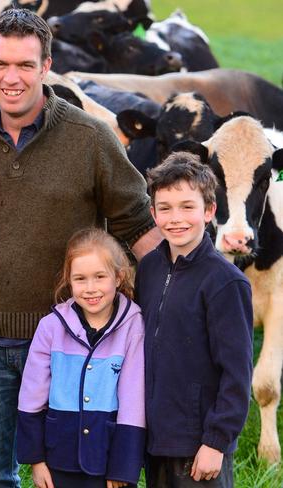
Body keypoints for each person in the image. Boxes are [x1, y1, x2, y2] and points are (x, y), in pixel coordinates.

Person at [0, 8, 162, 487]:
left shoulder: (90, 138)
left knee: (66, 475)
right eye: (0, 64)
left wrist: (182, 291)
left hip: (72, 342)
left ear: (47, 66)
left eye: (24, 65)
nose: (10, 78)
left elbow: (137, 222)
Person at [135, 152, 253, 488]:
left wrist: (216, 441)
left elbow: (237, 371)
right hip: (157, 439)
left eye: (188, 206)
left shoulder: (225, 282)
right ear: (153, 212)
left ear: (210, 210)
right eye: (165, 208)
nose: (176, 218)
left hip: (201, 444)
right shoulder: (150, 269)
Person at [17, 228, 145, 488]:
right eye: (80, 279)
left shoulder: (133, 326)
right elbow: (32, 395)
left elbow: (134, 400)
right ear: (69, 281)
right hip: (58, 457)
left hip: (108, 458)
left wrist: (123, 468)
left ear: (118, 277)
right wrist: (36, 460)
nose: (90, 288)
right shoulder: (50, 327)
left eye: (100, 277)